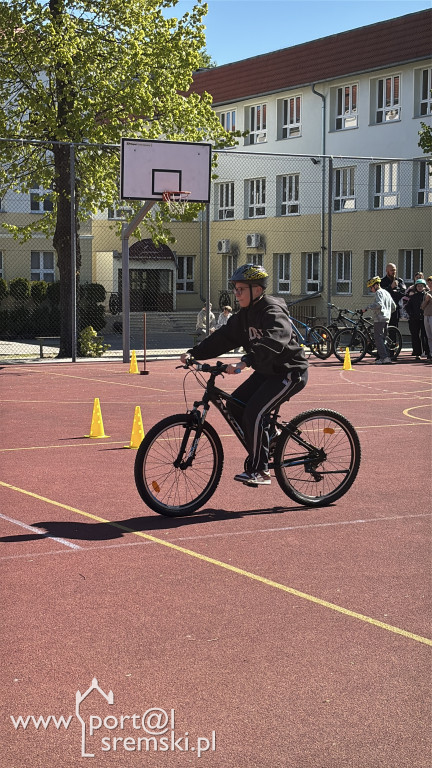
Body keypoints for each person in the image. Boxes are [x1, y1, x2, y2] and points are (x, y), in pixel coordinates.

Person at [180, 264, 308, 486]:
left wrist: (247, 361)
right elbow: (224, 337)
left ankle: (261, 470)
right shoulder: (244, 316)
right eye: (235, 289)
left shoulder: (273, 311)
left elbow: (276, 339)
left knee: (254, 412)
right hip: (266, 371)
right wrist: (195, 352)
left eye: (241, 289)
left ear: (257, 290)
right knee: (235, 405)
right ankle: (271, 440)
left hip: (289, 371)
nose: (236, 294)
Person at [364, 276, 396, 364]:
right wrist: (387, 312)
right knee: (383, 338)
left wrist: (367, 307)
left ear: (376, 285)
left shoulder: (378, 292)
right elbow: (394, 306)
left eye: (371, 287)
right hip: (386, 318)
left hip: (379, 318)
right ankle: (387, 357)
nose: (371, 289)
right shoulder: (386, 292)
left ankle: (384, 357)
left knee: (378, 338)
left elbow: (378, 304)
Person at [405, 279, 430, 361]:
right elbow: (407, 307)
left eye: (421, 286)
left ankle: (427, 352)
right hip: (414, 319)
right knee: (415, 336)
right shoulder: (413, 297)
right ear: (416, 287)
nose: (420, 287)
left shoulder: (426, 295)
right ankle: (417, 353)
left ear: (424, 287)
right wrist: (411, 314)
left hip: (424, 318)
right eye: (418, 286)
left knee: (425, 336)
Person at [421, 277, 432, 364]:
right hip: (426, 316)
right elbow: (422, 307)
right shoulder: (426, 293)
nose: (430, 284)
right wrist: (427, 300)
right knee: (429, 336)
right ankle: (431, 353)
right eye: (429, 283)